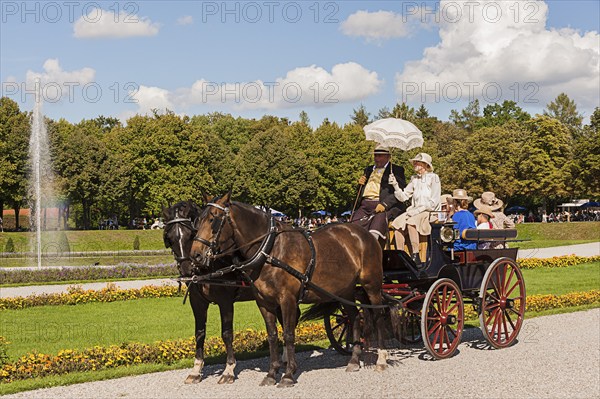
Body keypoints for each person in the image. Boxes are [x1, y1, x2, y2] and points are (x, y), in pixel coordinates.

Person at [388, 153, 440, 264]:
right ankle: (400, 255)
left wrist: (417, 211)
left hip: (429, 211)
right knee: (397, 223)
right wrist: (395, 185)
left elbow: (433, 202)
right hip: (414, 211)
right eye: (415, 162)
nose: (415, 164)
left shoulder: (434, 178)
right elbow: (403, 197)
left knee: (411, 222)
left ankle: (416, 255)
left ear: (425, 165)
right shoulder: (414, 179)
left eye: (418, 162)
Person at [351, 145, 406, 247]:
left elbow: (400, 191)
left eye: (380, 156)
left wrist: (385, 204)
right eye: (375, 155)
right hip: (365, 205)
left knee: (375, 228)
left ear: (388, 157)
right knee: (352, 228)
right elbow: (360, 192)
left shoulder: (396, 170)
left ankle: (371, 250)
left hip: (383, 206)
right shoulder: (368, 169)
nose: (377, 158)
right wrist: (360, 184)